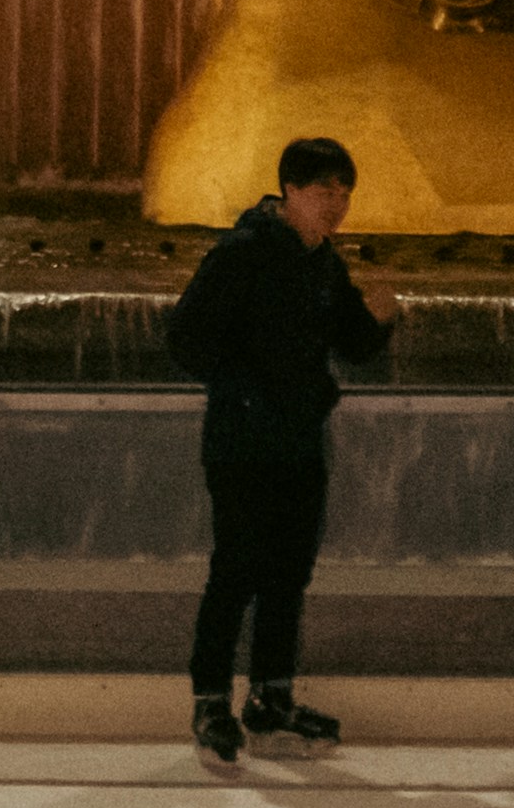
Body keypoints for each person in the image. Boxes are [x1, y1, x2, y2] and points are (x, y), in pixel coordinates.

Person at [163, 133, 400, 768]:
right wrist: (245, 391)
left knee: (288, 573)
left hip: (299, 440)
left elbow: (352, 343)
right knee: (236, 570)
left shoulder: (322, 261)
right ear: (290, 190)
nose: (337, 203)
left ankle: (271, 696)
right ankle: (211, 701)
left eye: (345, 192)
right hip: (242, 442)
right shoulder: (242, 253)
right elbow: (185, 337)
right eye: (325, 190)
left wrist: (380, 318)